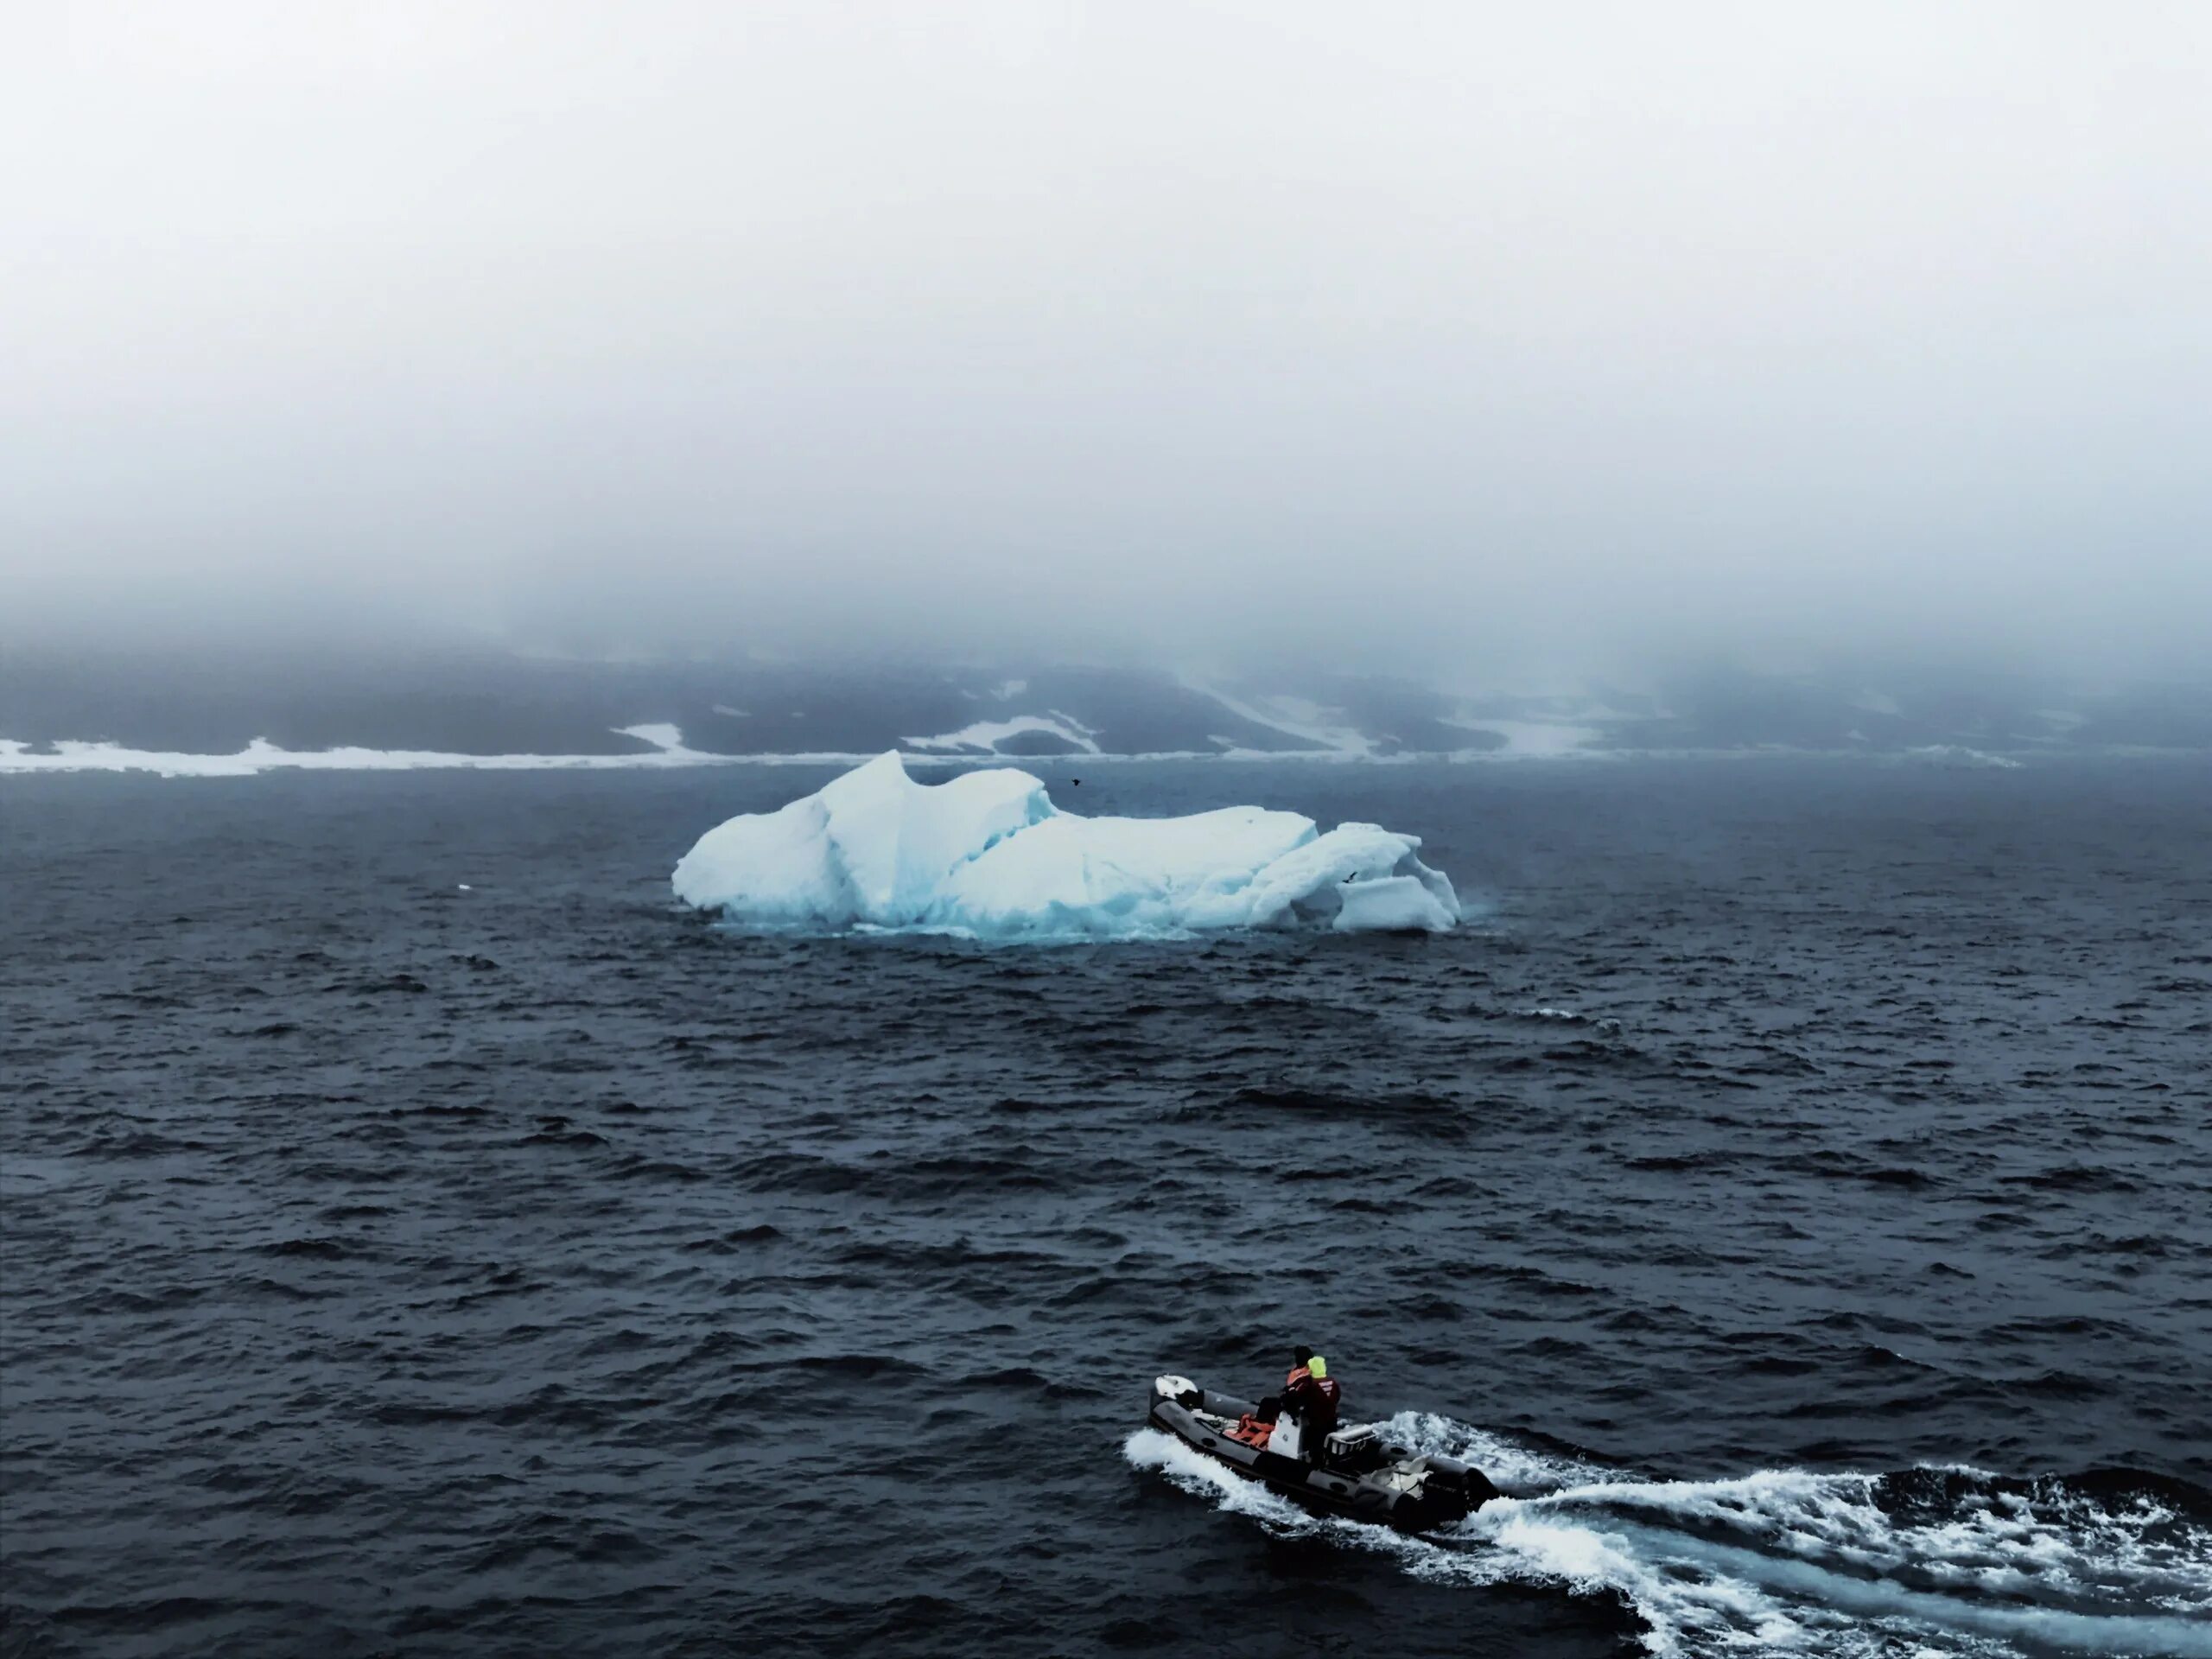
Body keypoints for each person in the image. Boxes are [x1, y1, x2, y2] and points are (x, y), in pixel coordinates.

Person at [1252, 1346, 1342, 1461]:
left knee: (1267, 1402)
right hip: (1328, 1419)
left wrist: (1289, 1400)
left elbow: (1293, 1398)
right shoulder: (1332, 1382)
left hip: (1311, 1419)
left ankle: (1259, 1429)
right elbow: (1336, 1397)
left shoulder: (1309, 1384)